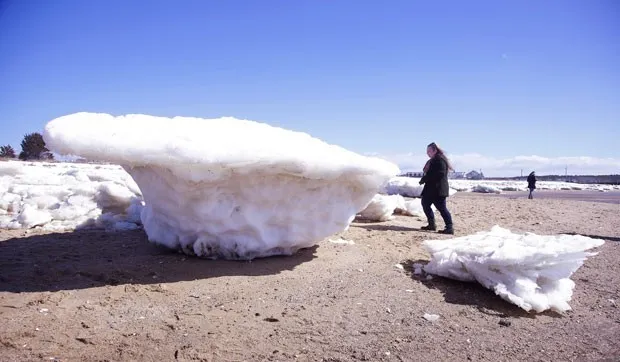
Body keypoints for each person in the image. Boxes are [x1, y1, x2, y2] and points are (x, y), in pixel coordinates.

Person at [418, 142, 454, 234]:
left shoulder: (440, 160)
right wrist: (425, 179)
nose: (427, 153)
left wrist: (425, 178)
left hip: (438, 189)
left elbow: (439, 174)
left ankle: (449, 228)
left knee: (442, 208)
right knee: (425, 204)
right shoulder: (433, 160)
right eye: (427, 151)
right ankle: (431, 225)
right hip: (431, 189)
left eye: (429, 151)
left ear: (435, 150)